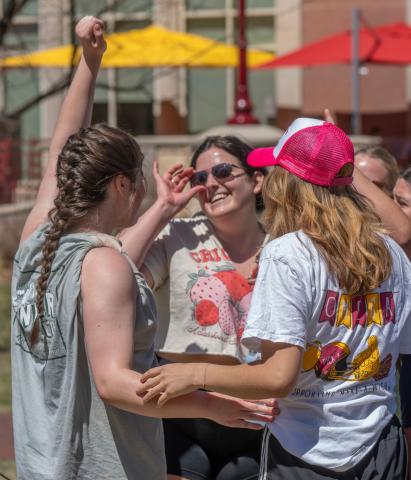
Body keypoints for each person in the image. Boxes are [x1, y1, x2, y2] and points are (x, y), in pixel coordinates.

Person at [10, 16, 275, 480]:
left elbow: (60, 150)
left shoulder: (37, 241)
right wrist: (210, 403)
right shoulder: (103, 263)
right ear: (121, 184)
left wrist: (90, 62)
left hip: (41, 465)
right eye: (139, 184)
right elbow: (114, 383)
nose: (143, 195)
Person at [139, 118, 411, 479]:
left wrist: (192, 373)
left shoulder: (289, 253)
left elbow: (278, 378)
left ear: (288, 181)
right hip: (381, 444)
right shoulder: (392, 253)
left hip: (306, 449)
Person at [120, 135, 269, 480]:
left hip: (252, 412)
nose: (211, 184)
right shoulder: (178, 234)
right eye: (200, 178)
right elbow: (115, 268)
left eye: (222, 171)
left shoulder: (284, 246)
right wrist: (163, 208)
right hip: (178, 408)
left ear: (256, 180)